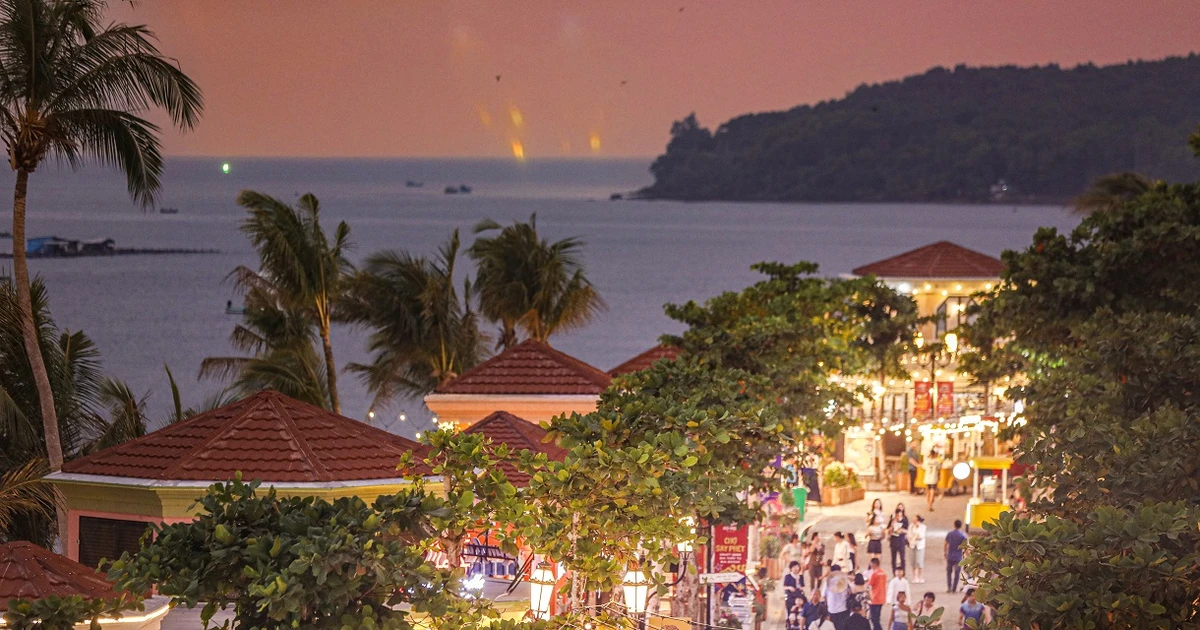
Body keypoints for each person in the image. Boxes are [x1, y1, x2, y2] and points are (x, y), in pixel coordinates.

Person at [822, 564, 852, 630]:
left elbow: (824, 596)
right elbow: (850, 593)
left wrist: (827, 605)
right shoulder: (845, 581)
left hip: (832, 610)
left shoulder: (827, 582)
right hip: (843, 609)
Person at [944, 519, 968, 593]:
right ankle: (954, 589)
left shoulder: (950, 534)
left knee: (949, 572)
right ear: (961, 526)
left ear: (954, 525)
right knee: (957, 573)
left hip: (950, 555)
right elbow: (965, 548)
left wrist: (945, 552)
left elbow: (945, 544)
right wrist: (967, 557)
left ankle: (949, 587)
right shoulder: (963, 536)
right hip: (958, 557)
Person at [887, 504, 909, 573]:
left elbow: (907, 530)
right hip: (893, 541)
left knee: (902, 558)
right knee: (893, 558)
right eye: (898, 515)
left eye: (900, 515)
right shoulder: (892, 521)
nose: (899, 517)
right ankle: (894, 573)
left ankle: (903, 573)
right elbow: (888, 531)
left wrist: (901, 530)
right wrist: (892, 525)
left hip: (901, 540)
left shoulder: (905, 520)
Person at [867, 558, 887, 630]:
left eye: (871, 564)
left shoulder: (874, 574)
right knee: (877, 617)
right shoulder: (884, 573)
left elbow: (869, 586)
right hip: (882, 598)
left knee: (874, 618)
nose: (870, 565)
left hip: (874, 598)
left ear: (874, 564)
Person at [908, 515, 927, 584]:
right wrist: (913, 538)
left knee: (919, 561)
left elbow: (921, 536)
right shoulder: (911, 526)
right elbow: (909, 535)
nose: (914, 521)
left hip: (920, 546)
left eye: (915, 520)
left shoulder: (923, 527)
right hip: (912, 545)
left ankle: (920, 577)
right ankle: (914, 577)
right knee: (913, 561)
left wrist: (915, 536)